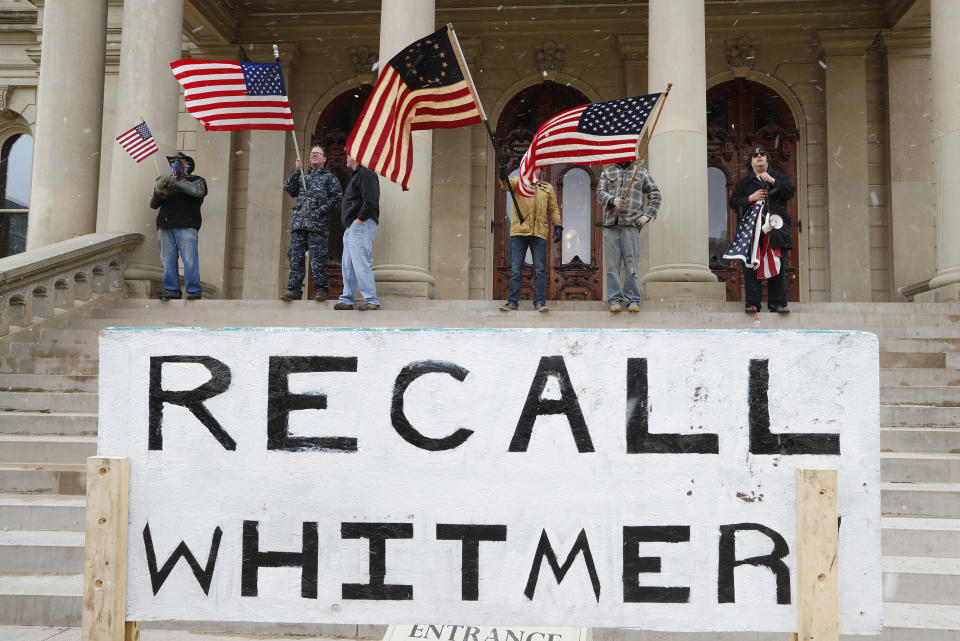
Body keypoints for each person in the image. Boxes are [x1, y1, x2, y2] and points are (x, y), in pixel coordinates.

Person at [726, 146, 796, 313]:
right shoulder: (744, 183)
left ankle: (777, 304)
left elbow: (789, 193)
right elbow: (733, 203)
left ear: (767, 159)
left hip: (776, 230)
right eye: (755, 155)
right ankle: (753, 303)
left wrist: (773, 182)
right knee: (750, 266)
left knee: (777, 266)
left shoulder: (778, 177)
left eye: (762, 154)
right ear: (751, 161)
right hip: (751, 231)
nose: (759, 157)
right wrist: (750, 198)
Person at [596, 160, 661, 313]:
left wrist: (648, 215)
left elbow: (655, 194)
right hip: (611, 225)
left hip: (632, 225)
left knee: (631, 266)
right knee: (612, 266)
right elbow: (599, 193)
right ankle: (614, 300)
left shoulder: (642, 172)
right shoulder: (607, 172)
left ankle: (633, 300)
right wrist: (612, 200)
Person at [280, 144, 343, 302]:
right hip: (299, 224)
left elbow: (337, 198)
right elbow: (288, 188)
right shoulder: (302, 175)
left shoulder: (329, 177)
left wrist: (320, 211)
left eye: (318, 153)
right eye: (312, 153)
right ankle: (294, 290)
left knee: (317, 259)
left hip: (317, 226)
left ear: (324, 159)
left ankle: (321, 290)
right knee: (296, 257)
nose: (314, 155)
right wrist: (296, 170)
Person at [497, 166, 562, 312]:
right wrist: (502, 176)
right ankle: (512, 302)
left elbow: (553, 208)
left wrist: (558, 225)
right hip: (519, 232)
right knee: (515, 269)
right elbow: (506, 184)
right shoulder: (518, 182)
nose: (534, 170)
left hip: (539, 233)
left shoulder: (547, 188)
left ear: (540, 170)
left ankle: (539, 302)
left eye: (537, 168)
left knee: (539, 269)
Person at [150, 152, 207, 301]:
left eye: (179, 161)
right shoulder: (166, 182)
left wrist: (175, 183)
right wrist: (158, 191)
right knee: (167, 260)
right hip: (165, 225)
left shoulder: (197, 180)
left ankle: (194, 291)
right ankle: (172, 290)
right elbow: (152, 204)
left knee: (189, 259)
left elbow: (197, 191)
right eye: (173, 161)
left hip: (186, 225)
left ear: (188, 165)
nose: (175, 164)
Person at [335, 154, 381, 311]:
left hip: (361, 224)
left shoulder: (366, 172)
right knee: (347, 264)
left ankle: (371, 300)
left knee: (360, 261)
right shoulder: (358, 174)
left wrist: (360, 219)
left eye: (348, 153)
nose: (346, 156)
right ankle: (347, 299)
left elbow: (371, 199)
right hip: (352, 226)